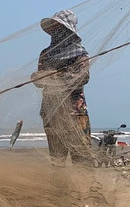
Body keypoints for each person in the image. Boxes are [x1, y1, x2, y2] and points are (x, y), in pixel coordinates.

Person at [33, 10, 92, 163]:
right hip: (51, 112)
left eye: (58, 27)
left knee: (82, 158)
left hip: (75, 113)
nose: (55, 31)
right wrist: (38, 77)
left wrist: (52, 76)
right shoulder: (46, 54)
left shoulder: (80, 55)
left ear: (67, 31)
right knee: (57, 159)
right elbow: (39, 80)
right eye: (53, 27)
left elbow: (81, 78)